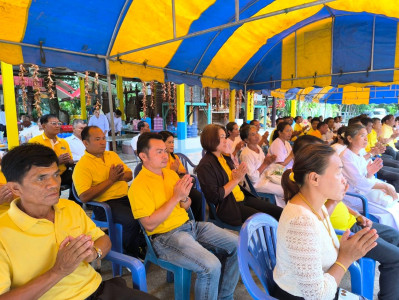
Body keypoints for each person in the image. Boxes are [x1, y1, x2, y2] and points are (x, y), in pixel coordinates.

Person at [0, 144, 156, 300]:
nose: (54, 184)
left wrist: (95, 254)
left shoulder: (68, 208)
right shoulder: (4, 233)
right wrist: (58, 271)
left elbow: (102, 239)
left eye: (56, 174)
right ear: (15, 188)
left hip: (97, 291)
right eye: (41, 178)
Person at [129, 132, 239, 300]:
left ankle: (225, 296)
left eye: (165, 150)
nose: (165, 155)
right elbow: (149, 225)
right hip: (166, 237)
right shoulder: (139, 186)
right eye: (159, 151)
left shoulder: (171, 174)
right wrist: (175, 197)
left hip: (190, 226)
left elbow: (185, 206)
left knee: (238, 244)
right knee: (211, 266)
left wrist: (184, 197)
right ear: (143, 156)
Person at [272, 143, 378, 300]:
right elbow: (317, 295)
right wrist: (345, 258)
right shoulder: (300, 222)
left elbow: (318, 231)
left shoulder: (313, 205)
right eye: (339, 173)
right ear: (314, 178)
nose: (344, 180)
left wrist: (347, 249)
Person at [73, 126, 144, 258]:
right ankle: (130, 255)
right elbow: (84, 196)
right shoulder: (82, 166)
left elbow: (129, 175)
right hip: (105, 205)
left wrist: (117, 177)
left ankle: (142, 245)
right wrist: (111, 180)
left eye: (104, 138)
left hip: (125, 198)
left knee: (147, 211)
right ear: (85, 143)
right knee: (130, 220)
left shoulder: (111, 155)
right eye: (97, 139)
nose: (103, 142)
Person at [196, 124, 282, 226]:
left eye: (225, 136)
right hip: (229, 206)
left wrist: (239, 177)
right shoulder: (205, 165)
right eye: (222, 137)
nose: (225, 140)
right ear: (211, 139)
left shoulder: (224, 157)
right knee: (266, 222)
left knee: (279, 212)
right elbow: (214, 197)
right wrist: (235, 180)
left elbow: (234, 181)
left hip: (242, 197)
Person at [341, 124, 399, 229]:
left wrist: (370, 173)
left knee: (394, 203)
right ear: (350, 138)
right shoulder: (346, 157)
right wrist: (385, 186)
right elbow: (359, 182)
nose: (366, 139)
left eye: (366, 135)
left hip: (363, 191)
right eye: (362, 136)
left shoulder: (357, 154)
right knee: (389, 213)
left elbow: (365, 176)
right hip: (353, 196)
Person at [158, 130, 203, 221]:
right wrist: (173, 170)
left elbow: (184, 171)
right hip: (168, 189)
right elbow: (161, 178)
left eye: (173, 142)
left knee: (197, 196)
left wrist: (178, 171)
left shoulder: (175, 157)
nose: (172, 145)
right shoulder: (159, 159)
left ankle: (196, 221)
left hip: (180, 186)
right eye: (169, 142)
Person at [239, 125, 285, 207]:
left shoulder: (258, 148)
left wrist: (270, 161)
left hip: (266, 177)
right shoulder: (246, 154)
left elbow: (265, 165)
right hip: (257, 184)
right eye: (252, 134)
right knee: (283, 190)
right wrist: (265, 163)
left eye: (256, 132)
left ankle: (281, 208)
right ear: (246, 140)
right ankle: (280, 212)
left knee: (286, 183)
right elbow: (253, 178)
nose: (257, 136)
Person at [29, 114, 74, 188]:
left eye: (59, 123)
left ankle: (73, 198)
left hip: (62, 173)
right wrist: (57, 161)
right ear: (44, 126)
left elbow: (70, 161)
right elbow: (34, 164)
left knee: (79, 177)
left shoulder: (63, 142)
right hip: (44, 176)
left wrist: (69, 161)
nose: (57, 126)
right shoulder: (35, 142)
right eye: (54, 123)